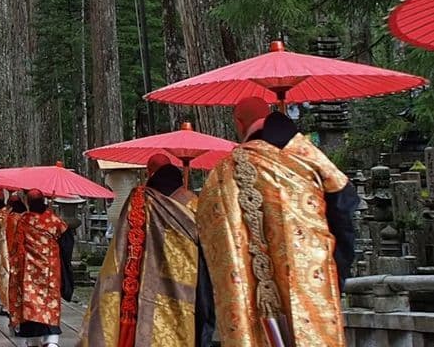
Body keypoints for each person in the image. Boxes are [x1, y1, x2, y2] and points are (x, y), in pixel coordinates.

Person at [196, 96, 357, 347]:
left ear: (239, 123)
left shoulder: (221, 176)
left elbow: (209, 241)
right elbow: (344, 206)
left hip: (250, 297)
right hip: (311, 280)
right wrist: (336, 272)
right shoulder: (307, 155)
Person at [80, 153, 215, 347]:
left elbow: (120, 250)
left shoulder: (140, 200)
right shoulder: (194, 203)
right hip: (186, 285)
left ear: (150, 172)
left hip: (143, 286)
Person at [9, 190, 74, 347]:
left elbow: (16, 247)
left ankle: (33, 340)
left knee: (31, 303)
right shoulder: (55, 221)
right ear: (44, 201)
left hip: (29, 272)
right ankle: (51, 340)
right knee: (49, 302)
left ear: (29, 203)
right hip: (50, 271)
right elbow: (67, 244)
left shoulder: (23, 221)